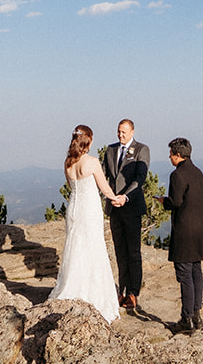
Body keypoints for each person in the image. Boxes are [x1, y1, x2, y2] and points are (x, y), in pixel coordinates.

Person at [46, 124, 122, 322]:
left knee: (75, 247)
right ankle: (92, 294)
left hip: (74, 208)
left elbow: (71, 186)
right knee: (93, 247)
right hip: (89, 209)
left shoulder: (68, 163)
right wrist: (117, 198)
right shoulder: (92, 162)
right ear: (89, 141)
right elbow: (104, 188)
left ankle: (72, 286)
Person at [158, 136, 203, 335]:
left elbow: (176, 201)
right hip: (199, 230)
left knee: (185, 276)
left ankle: (186, 319)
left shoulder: (177, 175)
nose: (169, 157)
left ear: (178, 155)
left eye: (171, 154)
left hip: (184, 232)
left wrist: (165, 202)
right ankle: (196, 315)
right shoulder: (199, 173)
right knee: (196, 273)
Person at [103, 118, 150, 311]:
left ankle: (133, 293)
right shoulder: (110, 150)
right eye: (118, 132)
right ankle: (121, 290)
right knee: (119, 251)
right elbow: (105, 174)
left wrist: (125, 197)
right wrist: (108, 196)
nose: (120, 135)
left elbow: (140, 179)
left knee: (133, 252)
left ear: (132, 132)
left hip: (131, 207)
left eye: (124, 132)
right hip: (114, 208)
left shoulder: (141, 150)